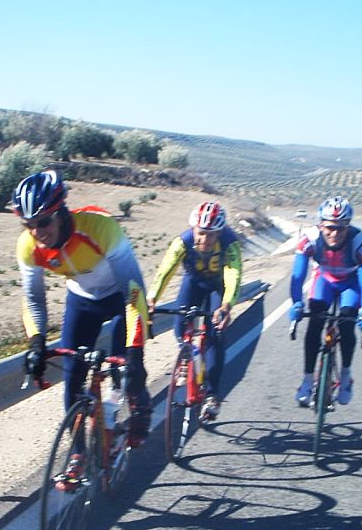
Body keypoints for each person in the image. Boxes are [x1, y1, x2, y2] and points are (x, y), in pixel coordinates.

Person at [14, 169, 152, 458]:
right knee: (73, 378)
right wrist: (36, 342)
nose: (37, 232)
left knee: (127, 369)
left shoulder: (100, 228)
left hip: (121, 300)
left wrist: (135, 352)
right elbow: (34, 299)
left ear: (61, 213)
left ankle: (139, 405)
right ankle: (78, 456)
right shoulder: (28, 246)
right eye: (29, 225)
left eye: (43, 222)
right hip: (82, 301)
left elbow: (134, 292)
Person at [147, 201, 242, 421]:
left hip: (219, 285)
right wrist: (152, 298)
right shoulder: (183, 241)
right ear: (193, 229)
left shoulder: (230, 244)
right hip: (194, 282)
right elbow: (165, 271)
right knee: (180, 324)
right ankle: (185, 355)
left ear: (220, 233)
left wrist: (226, 306)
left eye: (211, 235)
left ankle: (212, 395)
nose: (205, 240)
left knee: (215, 335)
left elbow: (233, 275)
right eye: (201, 233)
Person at [289, 196, 362, 406]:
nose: (335, 234)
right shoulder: (309, 239)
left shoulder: (360, 242)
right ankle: (308, 380)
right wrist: (297, 302)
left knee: (347, 322)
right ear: (321, 225)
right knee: (315, 323)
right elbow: (298, 277)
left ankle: (345, 376)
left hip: (350, 282)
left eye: (341, 228)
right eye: (330, 228)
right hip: (324, 279)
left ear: (348, 226)